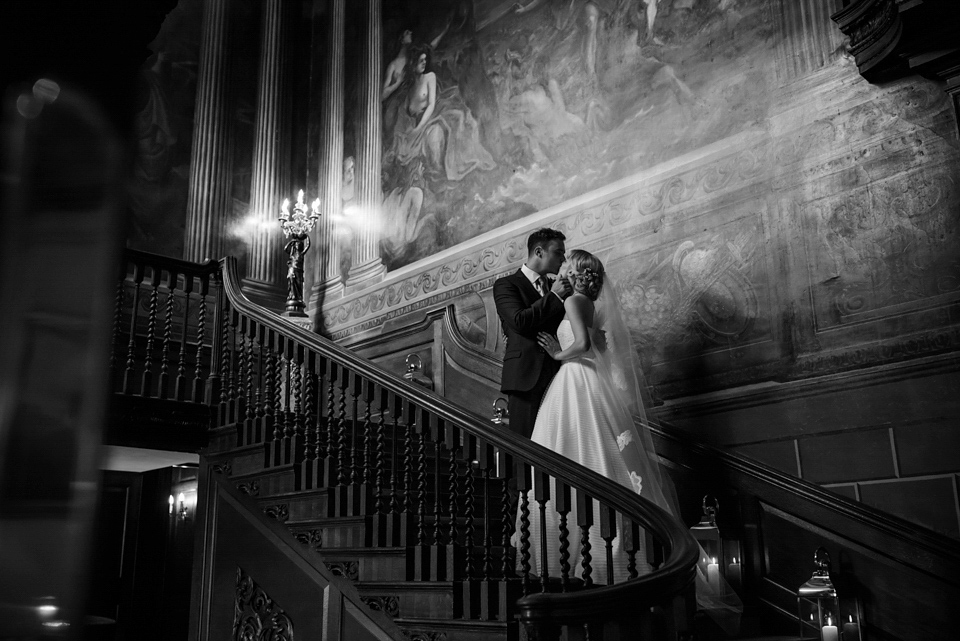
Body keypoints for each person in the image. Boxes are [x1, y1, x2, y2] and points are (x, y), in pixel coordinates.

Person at [521, 249, 742, 629]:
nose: (562, 270)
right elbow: (602, 347)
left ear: (575, 271)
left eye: (567, 265)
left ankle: (574, 559)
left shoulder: (574, 300)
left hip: (575, 380)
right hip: (590, 383)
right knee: (593, 458)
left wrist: (558, 354)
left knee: (571, 455)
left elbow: (583, 347)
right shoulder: (591, 304)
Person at [493, 228, 572, 438]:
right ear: (539, 252)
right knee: (526, 447)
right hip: (524, 376)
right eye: (558, 253)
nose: (563, 259)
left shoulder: (559, 287)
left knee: (556, 443)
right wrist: (554, 295)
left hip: (559, 373)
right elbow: (520, 321)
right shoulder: (506, 285)